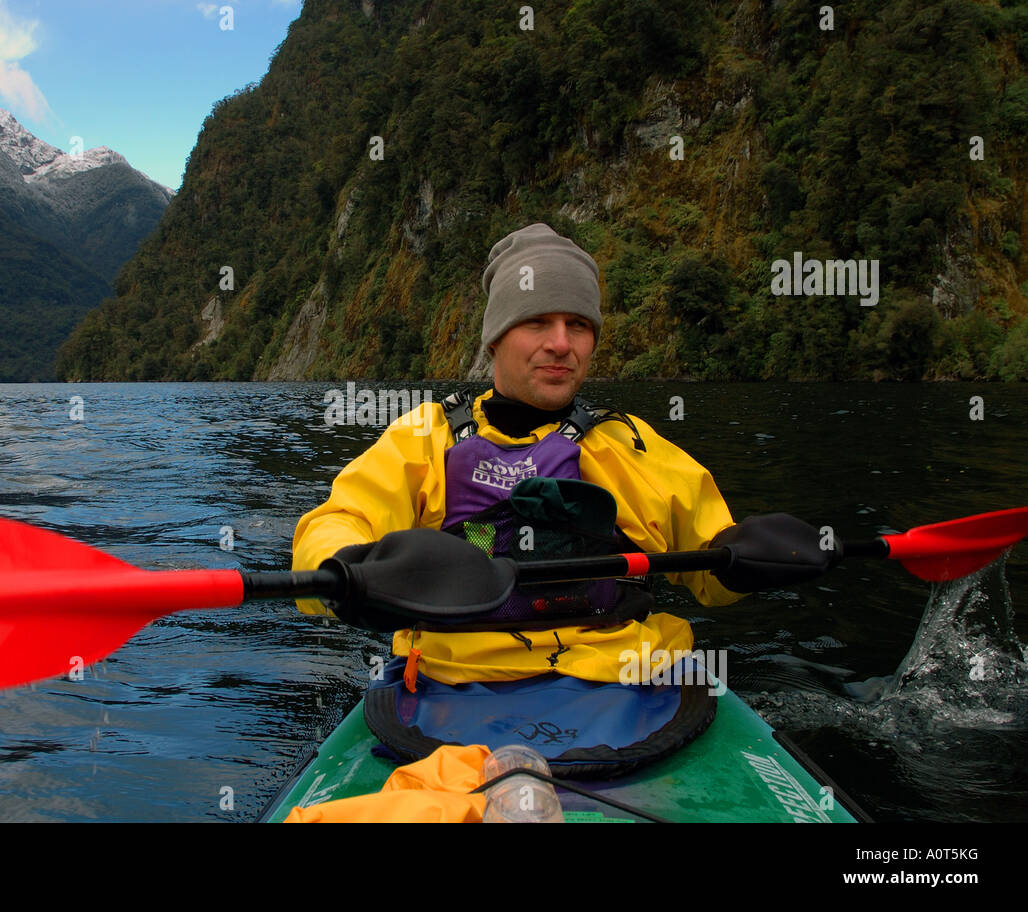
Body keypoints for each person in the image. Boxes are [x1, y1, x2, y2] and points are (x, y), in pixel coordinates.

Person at [292, 223, 834, 685]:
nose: (561, 343)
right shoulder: (423, 438)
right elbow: (340, 522)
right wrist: (348, 570)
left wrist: (748, 556)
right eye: (537, 323)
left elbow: (710, 570)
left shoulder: (626, 443)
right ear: (496, 340)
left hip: (626, 680)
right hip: (454, 680)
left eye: (578, 325)